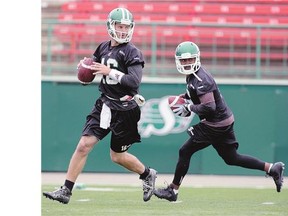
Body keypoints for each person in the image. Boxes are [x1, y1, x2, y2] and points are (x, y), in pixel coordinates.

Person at [43, 7, 157, 204]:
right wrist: (85, 71)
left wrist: (108, 71)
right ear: (110, 26)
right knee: (83, 145)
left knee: (117, 156)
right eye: (119, 26)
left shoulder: (132, 52)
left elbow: (134, 82)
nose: (122, 30)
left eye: (126, 27)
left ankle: (147, 174)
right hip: (104, 104)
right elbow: (93, 69)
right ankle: (66, 190)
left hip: (125, 109)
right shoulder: (103, 48)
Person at [153, 41, 285, 202]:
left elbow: (209, 107)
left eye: (190, 59)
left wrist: (189, 107)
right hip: (223, 121)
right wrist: (185, 98)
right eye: (184, 60)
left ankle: (173, 190)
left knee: (185, 151)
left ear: (197, 58)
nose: (187, 63)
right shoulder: (194, 77)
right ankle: (272, 168)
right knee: (232, 158)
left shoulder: (201, 78)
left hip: (215, 124)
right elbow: (196, 93)